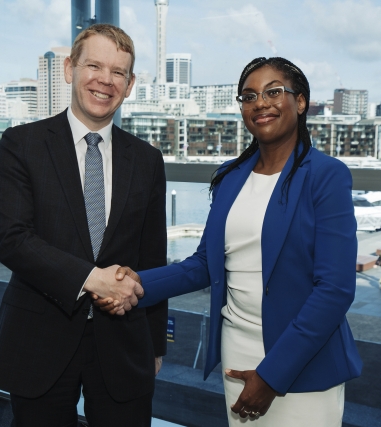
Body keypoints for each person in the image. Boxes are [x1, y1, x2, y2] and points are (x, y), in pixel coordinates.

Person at [95, 57, 362, 426]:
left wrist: (271, 376)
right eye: (249, 96)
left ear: (300, 102)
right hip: (237, 352)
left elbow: (334, 290)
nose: (260, 103)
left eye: (273, 92)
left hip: (303, 361)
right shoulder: (230, 176)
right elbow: (204, 263)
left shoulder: (327, 176)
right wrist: (134, 284)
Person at [0, 24, 167, 427]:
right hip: (39, 340)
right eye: (95, 66)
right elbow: (13, 240)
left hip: (124, 345)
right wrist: (92, 279)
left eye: (118, 72)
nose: (106, 80)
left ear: (130, 84)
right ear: (70, 69)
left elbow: (153, 256)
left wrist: (155, 344)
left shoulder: (148, 160)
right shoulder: (21, 144)